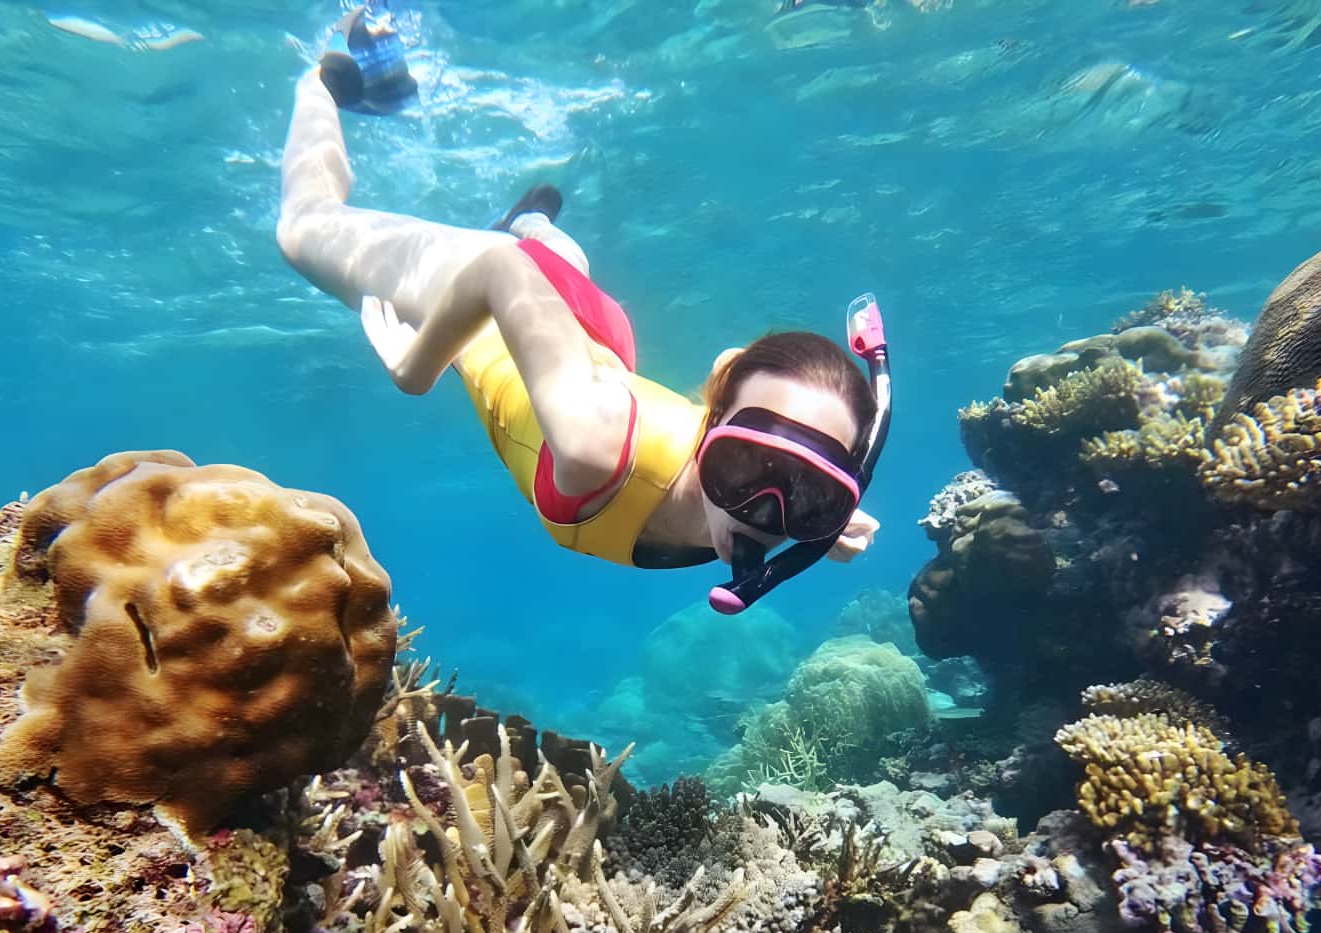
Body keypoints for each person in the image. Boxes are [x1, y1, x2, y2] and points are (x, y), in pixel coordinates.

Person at [276, 7, 890, 614]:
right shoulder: (590, 444)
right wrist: (414, 370)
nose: (762, 514)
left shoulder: (804, 520)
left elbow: (780, 463)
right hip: (484, 302)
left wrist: (820, 518)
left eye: (810, 492)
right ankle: (325, 78)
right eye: (745, 465)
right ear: (714, 411)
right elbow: (498, 273)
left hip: (595, 339)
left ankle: (537, 228)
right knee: (302, 229)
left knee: (556, 272)